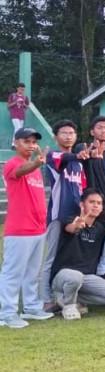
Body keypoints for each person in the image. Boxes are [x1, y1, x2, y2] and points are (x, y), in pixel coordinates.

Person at [0, 128, 53, 328]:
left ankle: (31, 307)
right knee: (12, 273)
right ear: (16, 143)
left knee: (32, 273)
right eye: (26, 141)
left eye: (33, 142)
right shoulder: (13, 164)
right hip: (20, 229)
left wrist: (36, 164)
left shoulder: (35, 168)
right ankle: (6, 313)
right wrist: (37, 163)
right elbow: (20, 171)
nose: (31, 145)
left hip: (37, 228)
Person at [50, 189, 105, 320]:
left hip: (87, 277)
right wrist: (77, 226)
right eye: (92, 202)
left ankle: (67, 298)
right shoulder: (71, 220)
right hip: (64, 274)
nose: (95, 205)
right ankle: (69, 306)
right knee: (75, 277)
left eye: (99, 203)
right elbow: (71, 228)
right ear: (82, 204)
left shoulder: (100, 228)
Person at [41, 119, 88, 311]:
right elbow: (66, 157)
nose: (68, 136)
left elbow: (82, 190)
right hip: (58, 216)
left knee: (71, 256)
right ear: (55, 137)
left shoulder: (79, 165)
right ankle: (45, 299)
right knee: (50, 258)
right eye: (64, 133)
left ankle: (68, 296)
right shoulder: (53, 156)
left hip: (76, 217)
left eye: (71, 133)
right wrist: (78, 154)